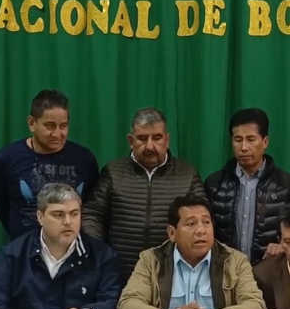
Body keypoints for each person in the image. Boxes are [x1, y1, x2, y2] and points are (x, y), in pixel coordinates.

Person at [0, 183, 121, 309]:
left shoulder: (102, 256)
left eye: (74, 214)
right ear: (40, 217)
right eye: (58, 214)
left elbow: (113, 302)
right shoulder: (13, 254)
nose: (68, 221)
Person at [84, 108, 205, 280]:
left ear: (167, 140)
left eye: (157, 138)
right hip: (119, 275)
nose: (149, 146)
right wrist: (101, 254)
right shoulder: (113, 172)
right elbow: (92, 215)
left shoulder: (187, 174)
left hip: (172, 276)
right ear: (130, 141)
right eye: (142, 138)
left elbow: (203, 223)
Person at [117, 194, 266, 309]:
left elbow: (255, 305)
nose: (201, 230)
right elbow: (128, 303)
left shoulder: (235, 260)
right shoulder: (151, 260)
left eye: (206, 222)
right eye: (191, 224)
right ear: (172, 233)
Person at [0, 89, 99, 239]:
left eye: (63, 126)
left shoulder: (85, 159)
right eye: (50, 126)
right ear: (31, 123)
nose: (57, 134)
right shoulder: (7, 158)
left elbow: (92, 209)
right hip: (24, 247)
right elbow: (3, 207)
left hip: (72, 246)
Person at [205, 108, 290, 264]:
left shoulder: (287, 186)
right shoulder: (214, 184)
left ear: (265, 142)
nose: (244, 147)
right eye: (238, 140)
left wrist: (283, 246)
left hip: (270, 270)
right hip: (226, 270)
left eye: (251, 139)